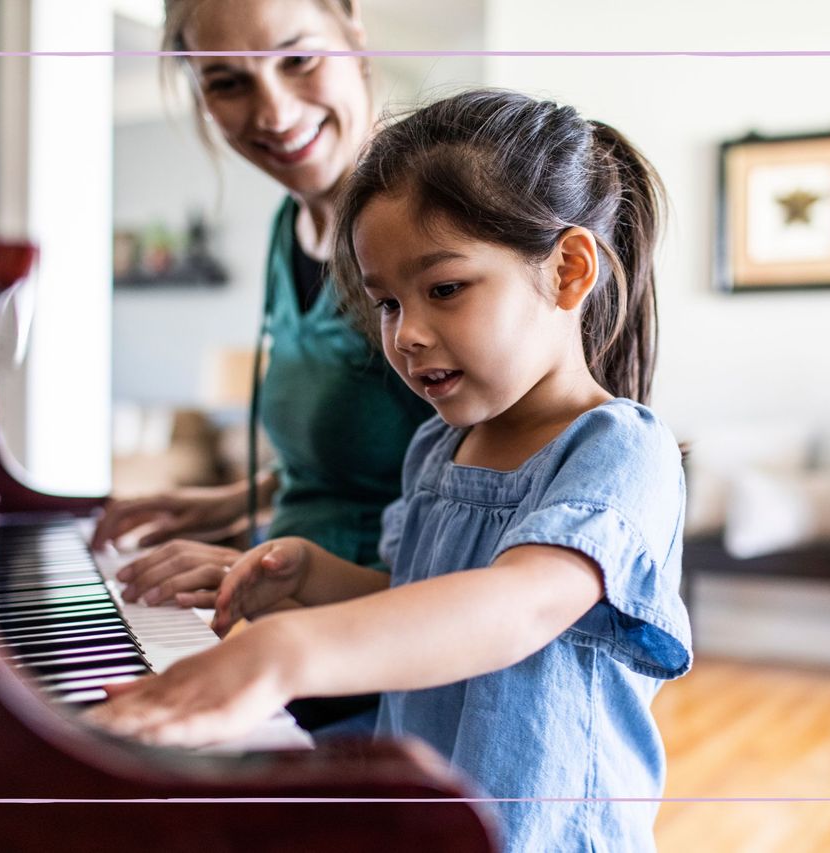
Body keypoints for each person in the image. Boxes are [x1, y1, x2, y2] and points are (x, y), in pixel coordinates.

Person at [87, 89, 693, 852]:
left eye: (444, 289)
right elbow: (421, 601)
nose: (405, 335)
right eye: (386, 303)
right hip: (432, 823)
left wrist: (286, 652)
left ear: (569, 270)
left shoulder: (618, 449)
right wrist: (311, 574)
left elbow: (518, 608)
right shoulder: (439, 448)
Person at [90, 0, 432, 608]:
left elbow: (488, 500)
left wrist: (268, 570)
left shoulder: (427, 228)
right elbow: (367, 456)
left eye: (297, 58)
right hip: (292, 634)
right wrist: (233, 499)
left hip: (383, 655)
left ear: (353, 28)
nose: (273, 112)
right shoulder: (288, 227)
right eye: (227, 82)